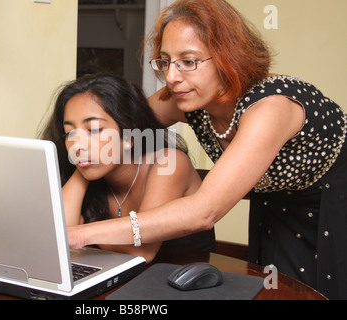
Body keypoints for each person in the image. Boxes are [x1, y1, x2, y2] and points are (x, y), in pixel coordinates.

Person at [67, 0, 347, 299]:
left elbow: (203, 211)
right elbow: (122, 131)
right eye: (165, 61)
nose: (172, 77)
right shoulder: (185, 97)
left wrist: (83, 234)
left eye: (188, 61)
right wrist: (85, 154)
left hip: (335, 201)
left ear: (229, 58)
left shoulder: (271, 107)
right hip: (276, 205)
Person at [39, 73, 215, 263]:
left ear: (129, 137)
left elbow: (141, 253)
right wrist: (82, 173)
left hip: (184, 285)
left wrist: (83, 236)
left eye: (94, 130)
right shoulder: (92, 178)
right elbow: (59, 245)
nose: (77, 144)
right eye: (70, 133)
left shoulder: (169, 163)